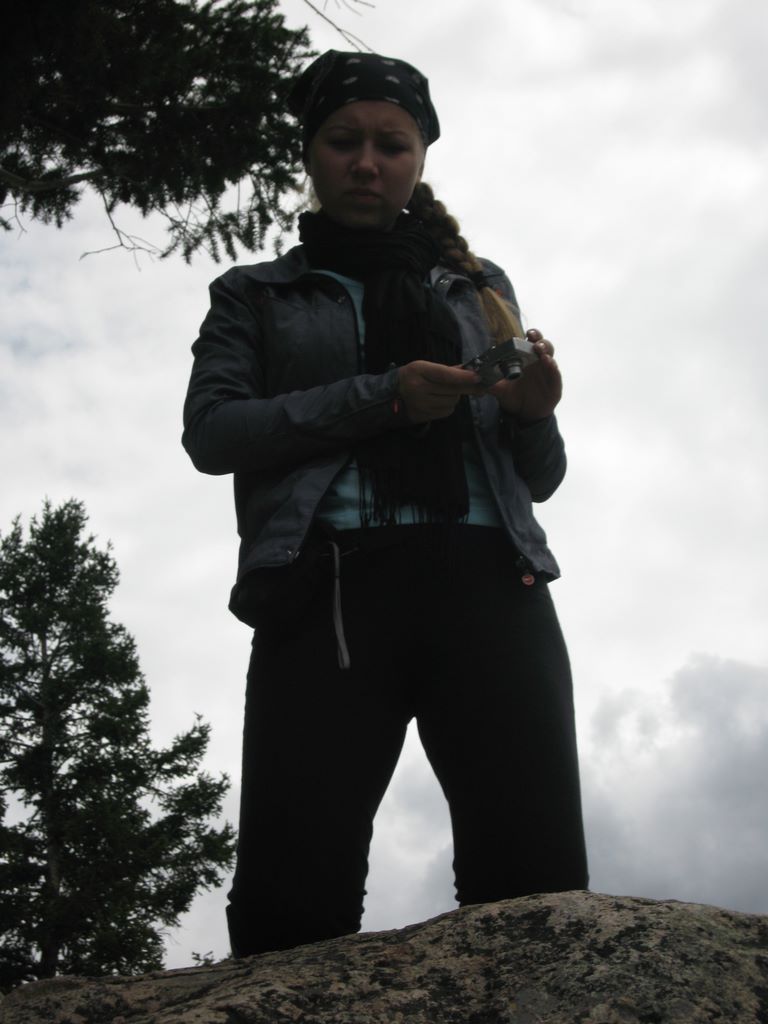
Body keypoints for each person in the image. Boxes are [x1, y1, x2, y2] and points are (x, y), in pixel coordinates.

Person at [183, 49, 588, 958]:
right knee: (290, 905)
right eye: (344, 141)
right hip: (326, 593)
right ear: (311, 153)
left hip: (494, 586)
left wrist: (534, 414)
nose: (367, 163)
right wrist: (383, 399)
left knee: (539, 894)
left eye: (392, 145)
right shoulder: (255, 294)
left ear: (420, 158)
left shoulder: (480, 285)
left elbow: (540, 476)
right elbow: (212, 433)